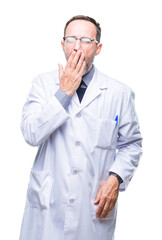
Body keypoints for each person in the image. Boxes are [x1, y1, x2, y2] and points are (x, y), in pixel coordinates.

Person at [19, 15, 142, 240]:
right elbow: (31, 133)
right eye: (71, 39)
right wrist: (64, 92)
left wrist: (116, 178)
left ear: (98, 48)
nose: (77, 47)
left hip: (91, 209)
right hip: (48, 208)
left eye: (85, 40)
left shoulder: (119, 93)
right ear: (62, 44)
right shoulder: (43, 85)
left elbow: (132, 144)